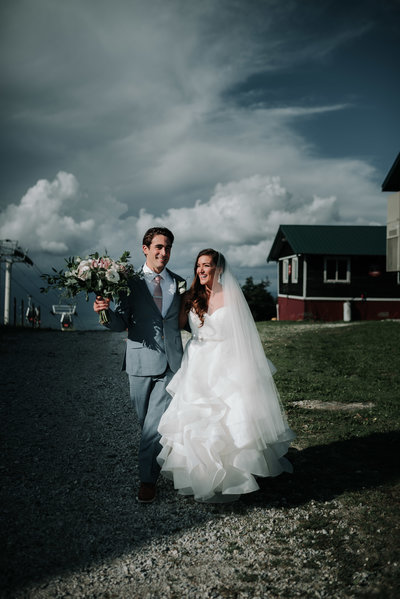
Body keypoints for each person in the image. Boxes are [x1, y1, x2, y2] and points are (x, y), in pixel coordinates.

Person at [157, 249, 295, 503]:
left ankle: (234, 477)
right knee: (196, 418)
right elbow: (175, 324)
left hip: (226, 361)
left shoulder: (232, 296)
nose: (200, 270)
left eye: (206, 265)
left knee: (232, 416)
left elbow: (243, 333)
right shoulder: (190, 296)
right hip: (197, 363)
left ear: (218, 269)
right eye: (198, 265)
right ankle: (199, 475)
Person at [93, 227, 186, 503]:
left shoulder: (179, 283)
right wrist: (104, 313)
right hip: (139, 362)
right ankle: (162, 459)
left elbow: (185, 319)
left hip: (171, 364)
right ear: (145, 249)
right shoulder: (127, 283)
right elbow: (120, 323)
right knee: (145, 423)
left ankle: (147, 481)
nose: (164, 253)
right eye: (158, 247)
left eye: (168, 247)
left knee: (154, 427)